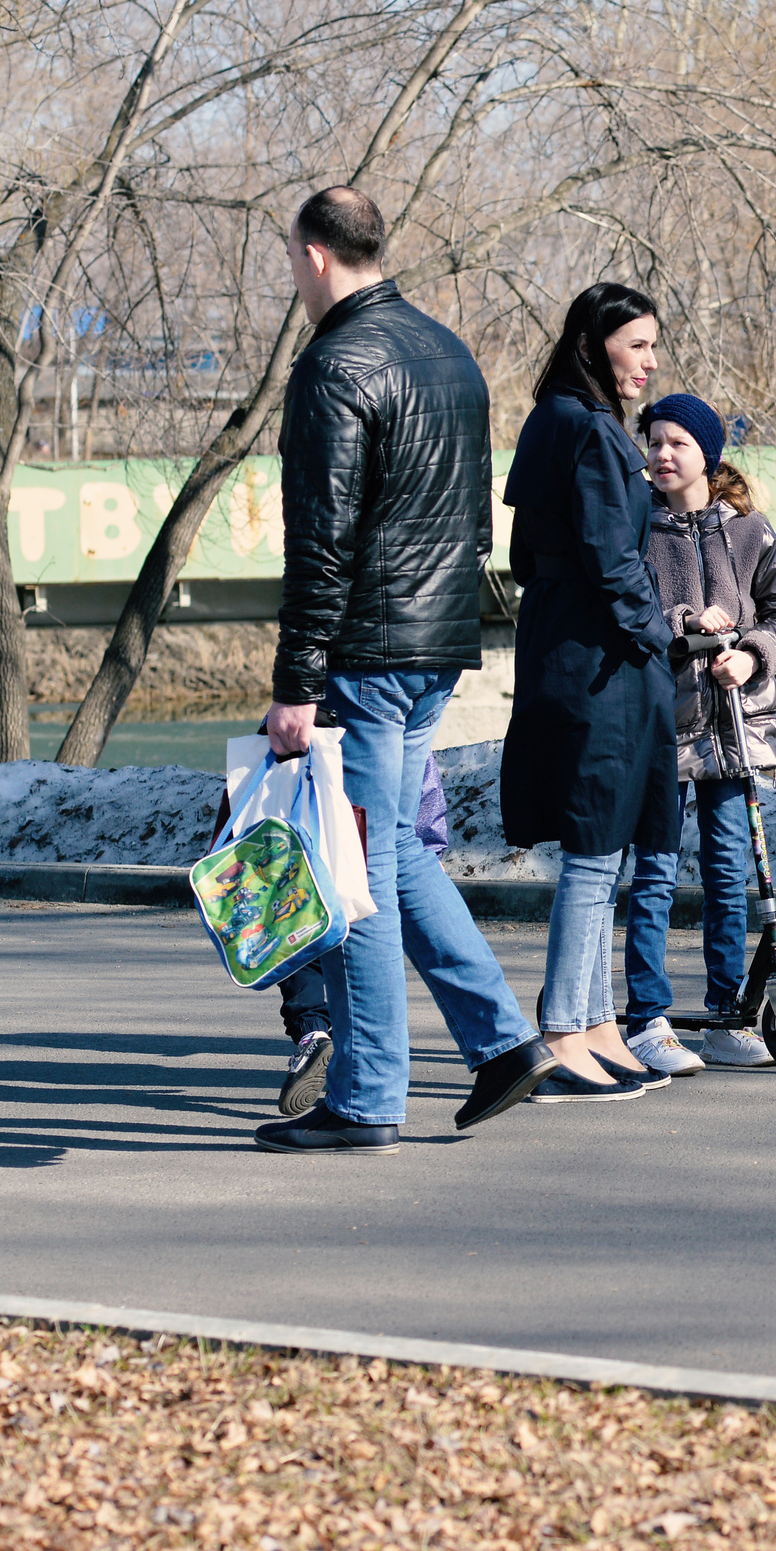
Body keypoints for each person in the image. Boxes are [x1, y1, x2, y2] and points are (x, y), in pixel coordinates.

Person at [252, 186, 558, 1154]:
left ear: (312, 256)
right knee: (396, 851)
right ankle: (504, 1041)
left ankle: (370, 1092)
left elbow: (323, 541)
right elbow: (472, 523)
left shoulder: (334, 364)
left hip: (364, 655)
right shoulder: (449, 353)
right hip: (436, 647)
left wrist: (297, 679)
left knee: (360, 876)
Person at [497, 283, 681, 1102]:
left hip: (569, 646)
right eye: (636, 344)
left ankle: (598, 1021)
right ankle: (564, 1031)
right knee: (593, 853)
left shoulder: (553, 421)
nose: (649, 361)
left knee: (606, 845)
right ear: (593, 341)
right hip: (600, 662)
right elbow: (613, 564)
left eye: (651, 345)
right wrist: (663, 635)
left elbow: (524, 559)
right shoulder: (590, 432)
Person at [617, 392, 776, 1076]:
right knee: (657, 875)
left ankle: (728, 1016)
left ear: (707, 453)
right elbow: (626, 608)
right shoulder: (634, 524)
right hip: (662, 728)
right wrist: (683, 624)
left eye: (677, 443)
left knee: (730, 875)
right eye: (654, 441)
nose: (662, 454)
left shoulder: (749, 531)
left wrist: (751, 651)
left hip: (732, 728)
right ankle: (647, 1018)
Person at [275, 753, 452, 1116]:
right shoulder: (394, 719)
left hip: (304, 856)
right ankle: (361, 1057)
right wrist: (426, 858)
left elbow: (267, 785)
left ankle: (313, 1034)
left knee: (295, 939)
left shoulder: (301, 715)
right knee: (361, 960)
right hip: (379, 865)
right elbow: (424, 792)